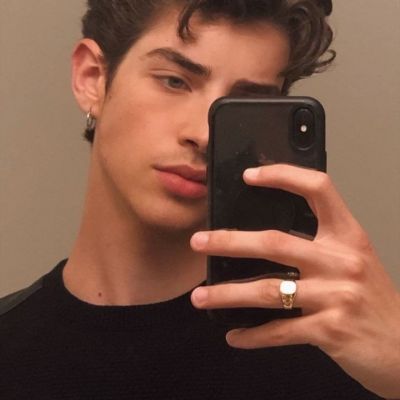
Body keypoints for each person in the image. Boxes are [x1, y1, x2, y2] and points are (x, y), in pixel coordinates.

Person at [1, 0, 399, 399]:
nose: (204, 135)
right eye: (174, 81)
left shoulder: (340, 351)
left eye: (243, 104)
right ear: (92, 78)